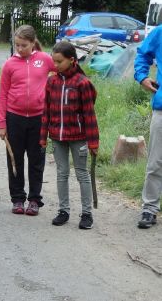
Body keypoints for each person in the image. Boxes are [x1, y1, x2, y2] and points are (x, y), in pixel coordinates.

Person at [39, 41, 99, 229]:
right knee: (61, 173)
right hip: (57, 137)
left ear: (71, 60)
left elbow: (90, 114)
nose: (54, 66)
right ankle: (63, 211)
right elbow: (46, 112)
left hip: (79, 137)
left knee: (82, 174)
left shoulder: (83, 83)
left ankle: (87, 214)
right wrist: (43, 137)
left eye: (59, 62)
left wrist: (93, 141)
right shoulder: (52, 82)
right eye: (53, 62)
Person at [0, 25, 55, 216]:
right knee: (15, 160)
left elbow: (62, 70)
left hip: (39, 118)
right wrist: (1, 124)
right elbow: (3, 94)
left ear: (32, 43)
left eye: (23, 45)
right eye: (17, 45)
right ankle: (18, 199)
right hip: (14, 118)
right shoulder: (9, 64)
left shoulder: (45, 60)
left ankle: (34, 200)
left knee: (37, 160)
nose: (19, 49)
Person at [134, 24, 162, 229]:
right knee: (156, 162)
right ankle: (149, 208)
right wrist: (141, 76)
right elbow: (142, 54)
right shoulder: (160, 32)